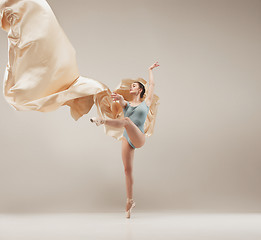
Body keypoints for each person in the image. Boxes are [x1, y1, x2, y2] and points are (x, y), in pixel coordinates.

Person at [90, 61, 160, 218]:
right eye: (131, 86)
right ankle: (129, 202)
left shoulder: (146, 103)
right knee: (127, 171)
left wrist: (150, 70)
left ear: (140, 89)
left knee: (127, 122)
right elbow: (121, 101)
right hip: (127, 139)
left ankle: (102, 121)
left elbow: (153, 84)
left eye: (134, 86)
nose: (131, 88)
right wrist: (120, 98)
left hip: (139, 138)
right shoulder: (126, 104)